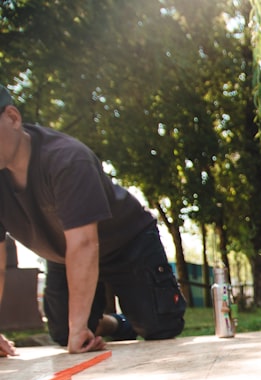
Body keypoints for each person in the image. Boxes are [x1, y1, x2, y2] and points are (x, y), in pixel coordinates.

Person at [0, 87, 186, 355]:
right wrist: (74, 329)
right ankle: (117, 325)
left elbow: (85, 243)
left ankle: (128, 319)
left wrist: (79, 328)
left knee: (160, 327)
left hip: (127, 242)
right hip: (64, 252)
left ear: (13, 118)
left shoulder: (66, 159)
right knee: (63, 333)